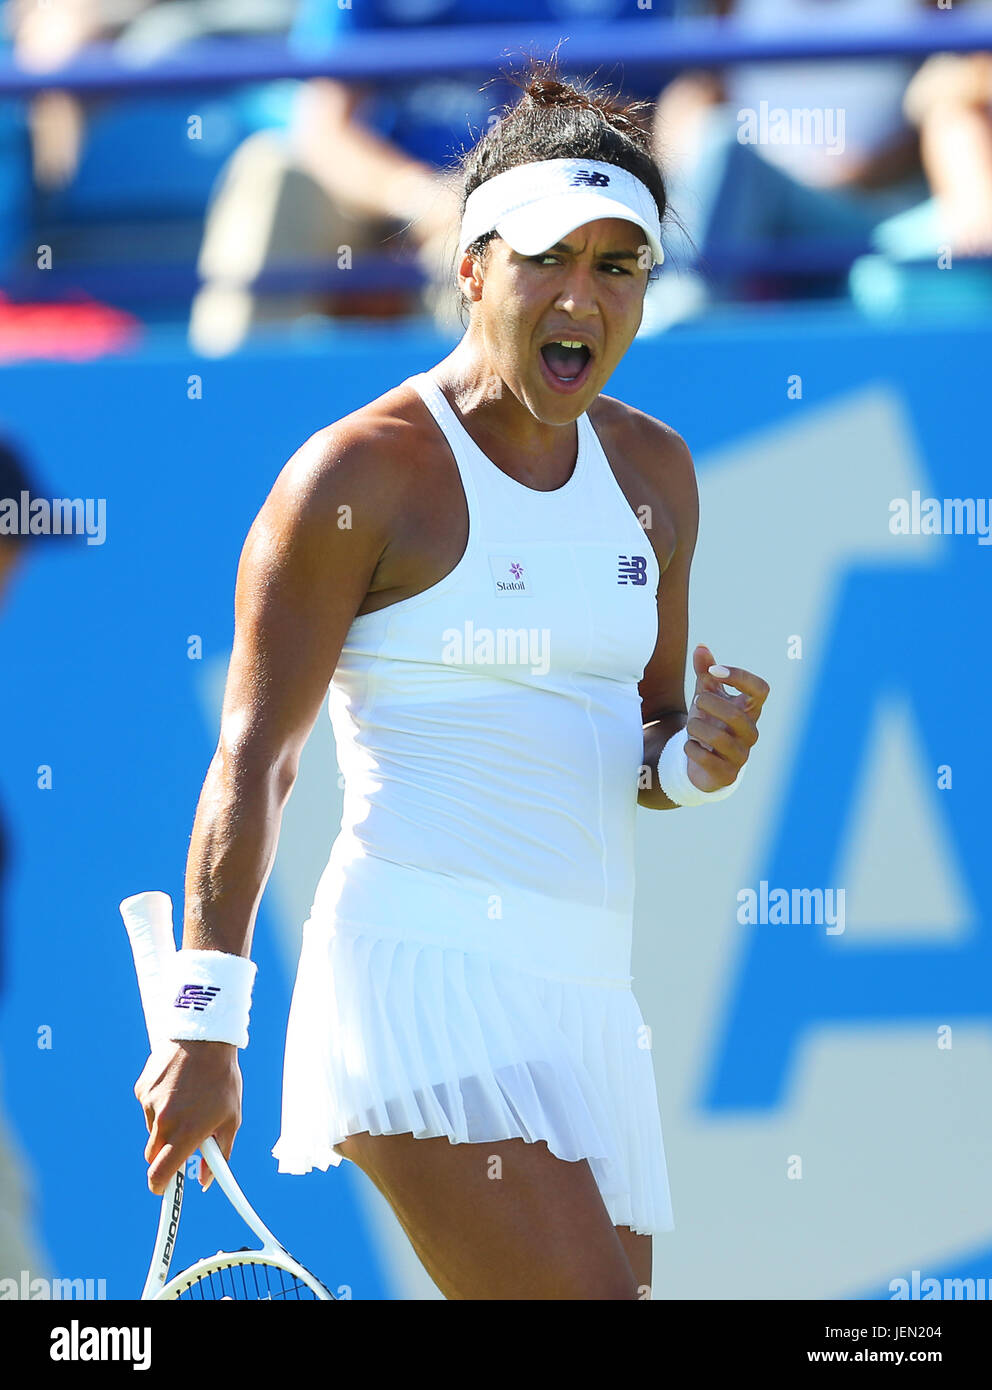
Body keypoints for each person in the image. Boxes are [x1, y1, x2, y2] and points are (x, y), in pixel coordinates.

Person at [135, 57, 770, 1301]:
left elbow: (639, 742)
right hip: (414, 984)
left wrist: (692, 762)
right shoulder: (356, 476)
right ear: (473, 266)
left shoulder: (657, 475)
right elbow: (255, 761)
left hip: (587, 997)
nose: (579, 294)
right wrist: (204, 1019)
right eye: (546, 257)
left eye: (615, 262)